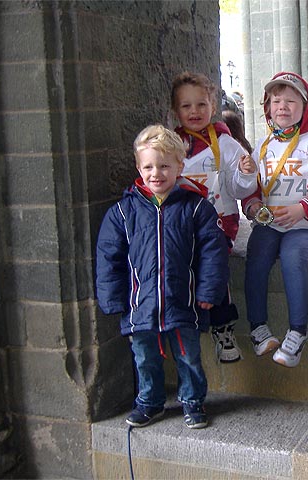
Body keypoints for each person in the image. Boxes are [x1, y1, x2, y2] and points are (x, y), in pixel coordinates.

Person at [95, 125, 230, 429]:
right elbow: (108, 256)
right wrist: (113, 297)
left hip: (183, 302)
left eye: (164, 165)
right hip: (140, 305)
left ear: (180, 166)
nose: (156, 173)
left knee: (188, 356)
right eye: (148, 166)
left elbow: (213, 252)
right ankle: (150, 401)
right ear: (138, 167)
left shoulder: (196, 207)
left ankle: (193, 401)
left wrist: (209, 291)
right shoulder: (123, 211)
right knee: (144, 357)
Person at [242, 72, 308, 367]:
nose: (282, 106)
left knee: (292, 257)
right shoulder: (262, 145)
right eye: (276, 101)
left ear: (305, 106)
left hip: (303, 224)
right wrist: (252, 205)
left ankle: (297, 333)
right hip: (269, 222)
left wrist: (304, 208)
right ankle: (259, 330)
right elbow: (252, 186)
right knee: (256, 256)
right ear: (267, 107)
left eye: (290, 100)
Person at [171, 71, 258, 364]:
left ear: (212, 106)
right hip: (183, 223)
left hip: (220, 221)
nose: (194, 112)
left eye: (201, 105)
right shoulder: (170, 144)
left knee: (214, 264)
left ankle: (223, 328)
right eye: (186, 106)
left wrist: (246, 174)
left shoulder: (226, 144)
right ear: (175, 110)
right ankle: (181, 326)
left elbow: (237, 188)